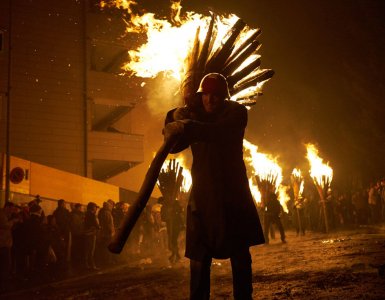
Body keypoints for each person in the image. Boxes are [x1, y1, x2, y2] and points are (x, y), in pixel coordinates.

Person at [163, 73, 265, 299]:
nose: (211, 100)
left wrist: (186, 123)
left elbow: (216, 132)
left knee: (240, 259)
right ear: (201, 96)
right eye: (206, 95)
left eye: (216, 95)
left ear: (225, 97)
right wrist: (172, 116)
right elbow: (172, 146)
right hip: (203, 200)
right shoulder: (194, 118)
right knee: (198, 263)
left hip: (233, 199)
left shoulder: (237, 113)